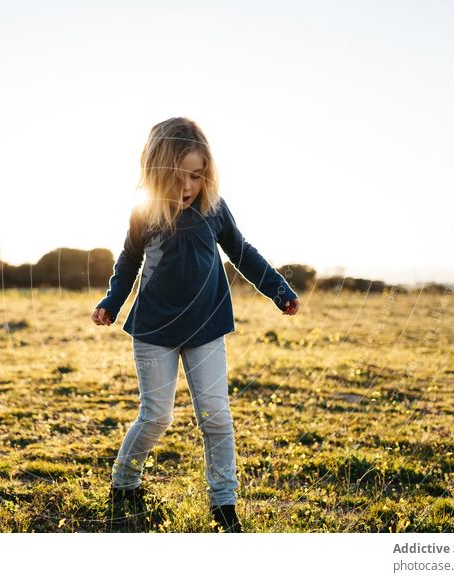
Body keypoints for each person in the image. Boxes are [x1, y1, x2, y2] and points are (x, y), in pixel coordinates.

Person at [91, 116, 300, 533]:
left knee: (216, 417)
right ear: (157, 172)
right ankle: (124, 483)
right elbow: (128, 263)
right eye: (181, 176)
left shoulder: (214, 207)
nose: (189, 185)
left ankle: (224, 505)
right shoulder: (144, 214)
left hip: (206, 326)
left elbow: (243, 253)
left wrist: (279, 290)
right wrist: (112, 302)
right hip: (154, 330)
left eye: (198, 175)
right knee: (156, 417)